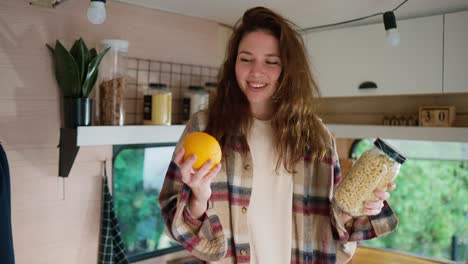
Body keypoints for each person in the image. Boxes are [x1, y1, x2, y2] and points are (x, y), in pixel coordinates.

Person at [159, 6, 398, 264]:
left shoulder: (316, 136)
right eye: (246, 58)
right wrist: (198, 196)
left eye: (271, 61)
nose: (256, 72)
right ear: (233, 64)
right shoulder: (204, 127)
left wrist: (362, 208)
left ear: (288, 69)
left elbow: (334, 228)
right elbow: (179, 228)